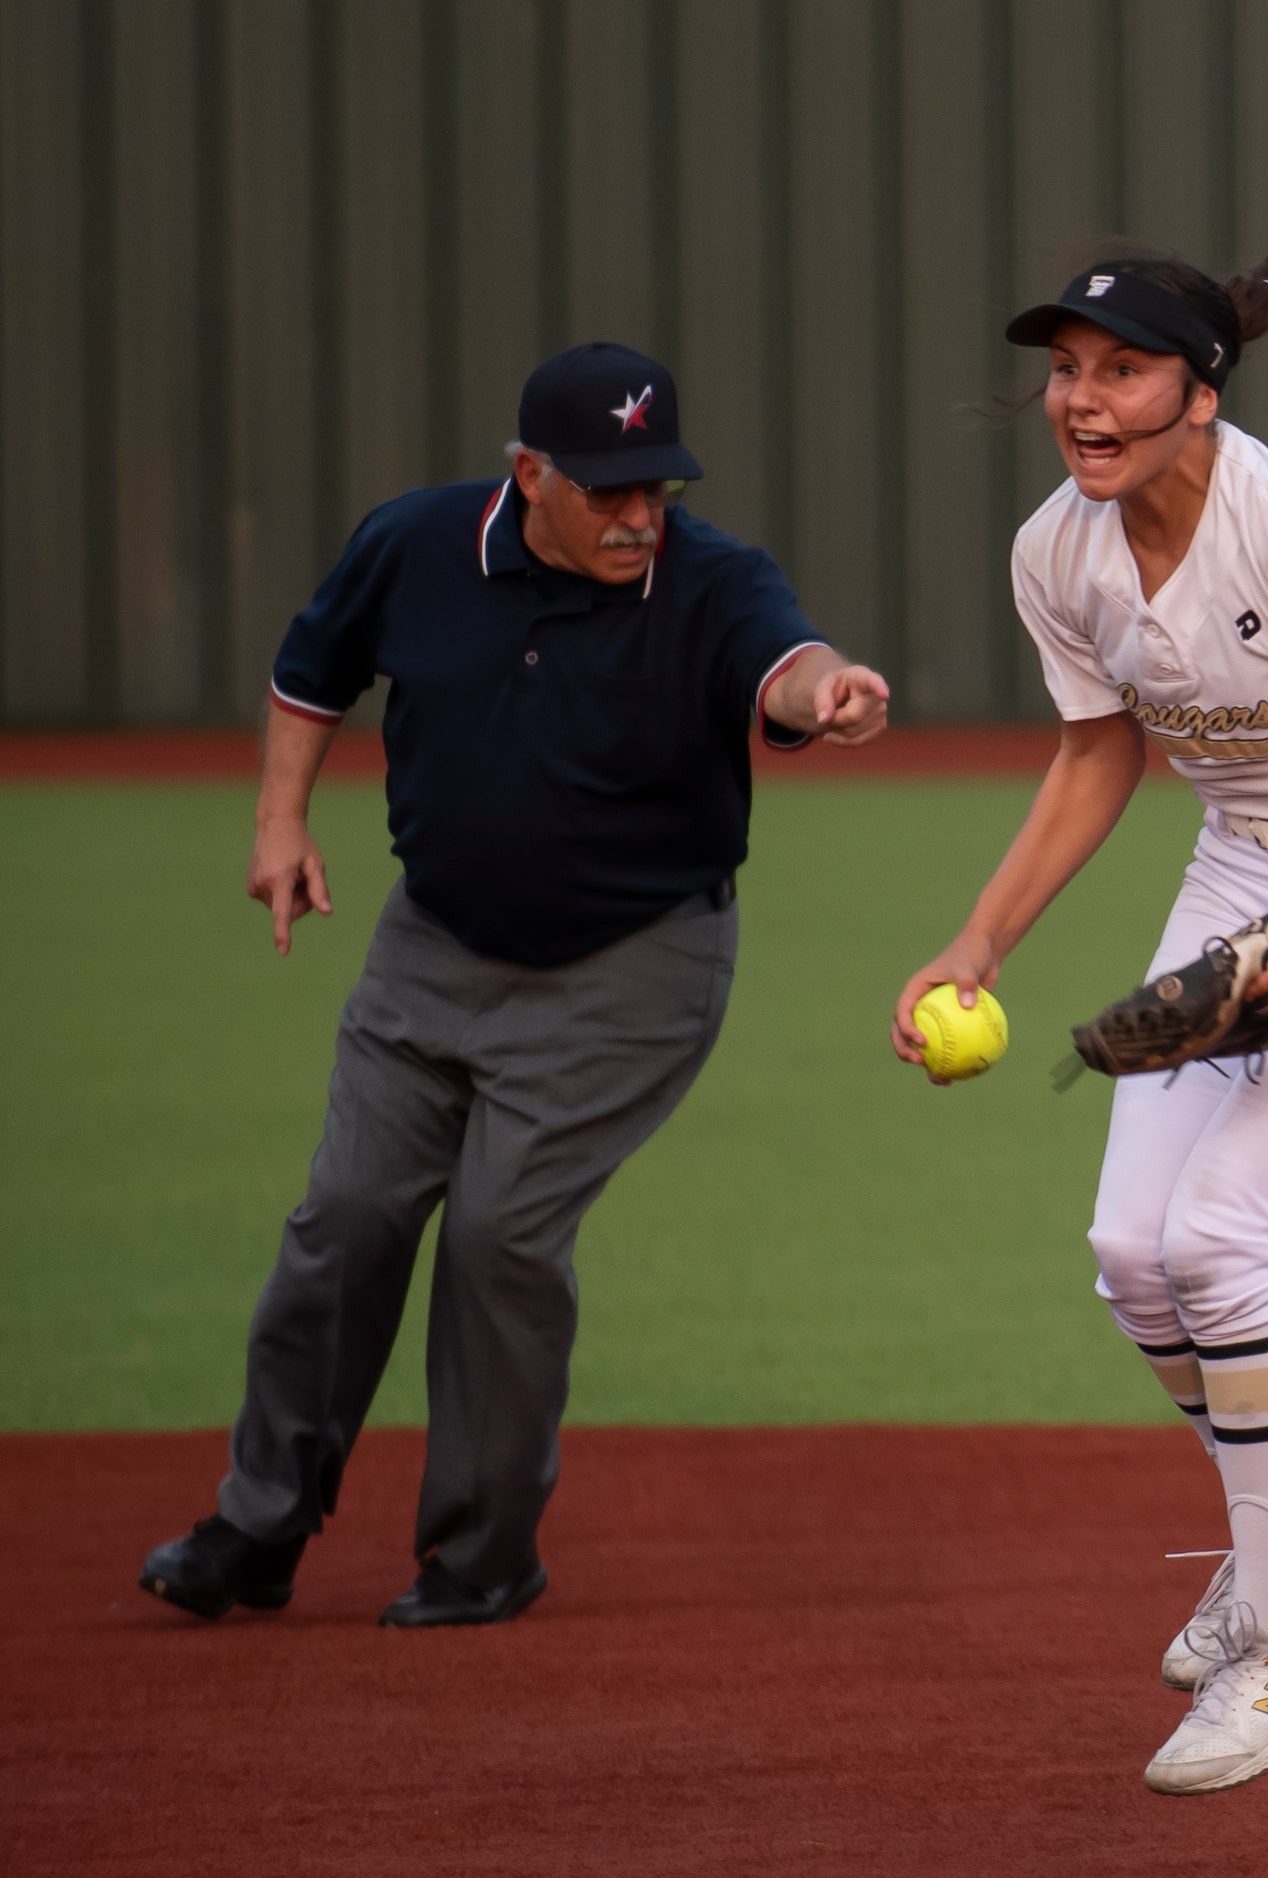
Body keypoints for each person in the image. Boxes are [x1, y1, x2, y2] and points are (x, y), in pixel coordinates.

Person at [139, 343, 890, 1629]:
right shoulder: (418, 545)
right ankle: (257, 1529)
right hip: (431, 945)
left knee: (500, 1239)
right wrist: (279, 822)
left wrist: (829, 691)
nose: (639, 515)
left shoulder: (711, 582)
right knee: (345, 1223)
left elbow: (785, 662)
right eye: (607, 490)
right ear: (529, 473)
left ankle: (483, 1556)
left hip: (634, 964)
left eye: (656, 486)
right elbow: (314, 668)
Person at [890, 250, 1268, 1794]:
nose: (1081, 402)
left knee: (1225, 1237)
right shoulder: (1059, 548)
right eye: (1066, 371)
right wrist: (979, 936)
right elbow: (1101, 751)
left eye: (1119, 372)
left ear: (1199, 393)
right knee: (1128, 1251)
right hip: (1238, 870)